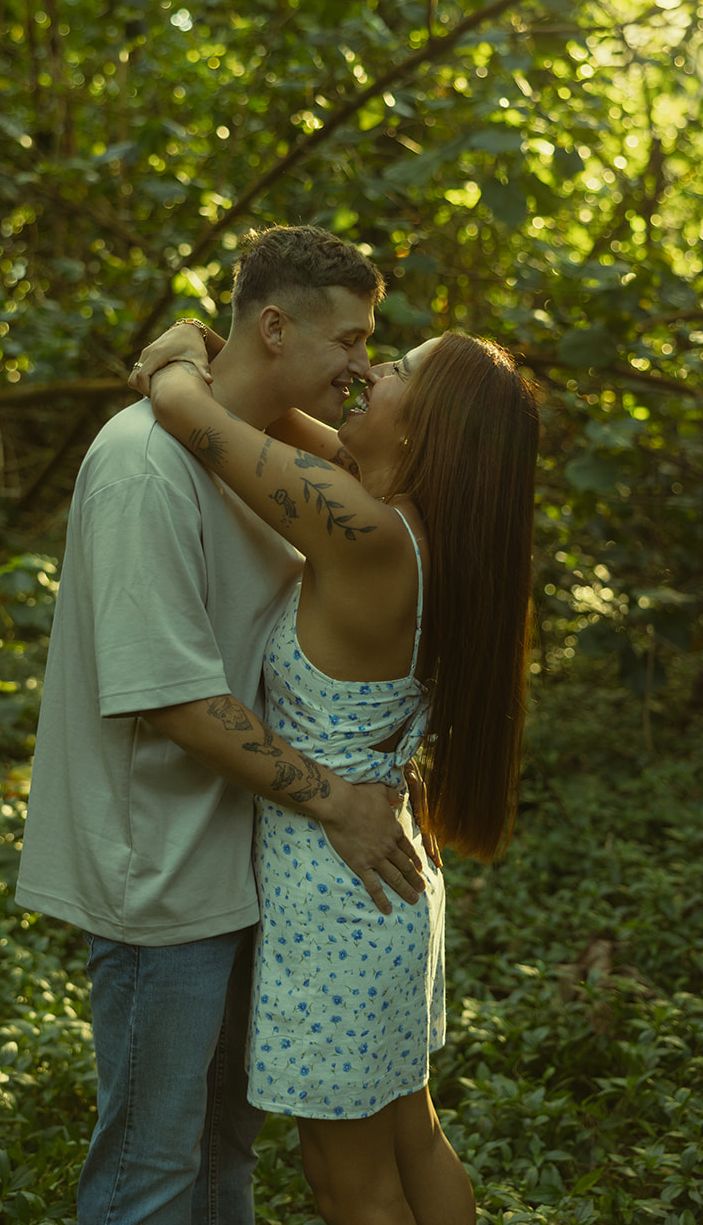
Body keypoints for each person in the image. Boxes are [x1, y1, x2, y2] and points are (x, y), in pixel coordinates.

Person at [15, 225, 427, 1225]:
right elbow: (174, 699)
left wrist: (177, 369)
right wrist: (338, 800)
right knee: (152, 1166)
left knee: (222, 1155)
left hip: (246, 861)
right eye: (349, 341)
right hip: (159, 877)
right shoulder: (143, 470)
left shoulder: (271, 458)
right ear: (275, 327)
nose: (361, 367)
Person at [132, 322, 539, 1225]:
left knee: (348, 1186)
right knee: (412, 1136)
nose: (368, 374)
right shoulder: (408, 524)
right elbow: (279, 417)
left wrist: (175, 357)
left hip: (337, 898)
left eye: (392, 369)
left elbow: (191, 416)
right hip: (384, 887)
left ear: (422, 429)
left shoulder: (363, 528)